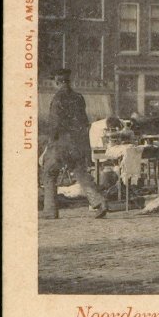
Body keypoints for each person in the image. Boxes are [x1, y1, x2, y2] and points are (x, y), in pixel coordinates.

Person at [39, 69, 109, 219]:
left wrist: (48, 146)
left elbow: (55, 125)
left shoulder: (58, 99)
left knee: (49, 172)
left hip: (60, 143)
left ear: (57, 82)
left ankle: (50, 211)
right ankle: (99, 202)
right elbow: (84, 122)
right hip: (76, 143)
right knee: (81, 173)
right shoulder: (78, 98)